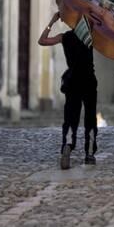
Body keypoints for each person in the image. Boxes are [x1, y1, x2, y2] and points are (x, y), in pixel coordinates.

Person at [38, 11, 98, 170]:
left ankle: (67, 146)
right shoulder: (91, 37)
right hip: (89, 81)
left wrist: (52, 21)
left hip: (73, 82)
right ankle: (90, 153)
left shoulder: (65, 37)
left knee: (71, 118)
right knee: (90, 118)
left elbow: (42, 41)